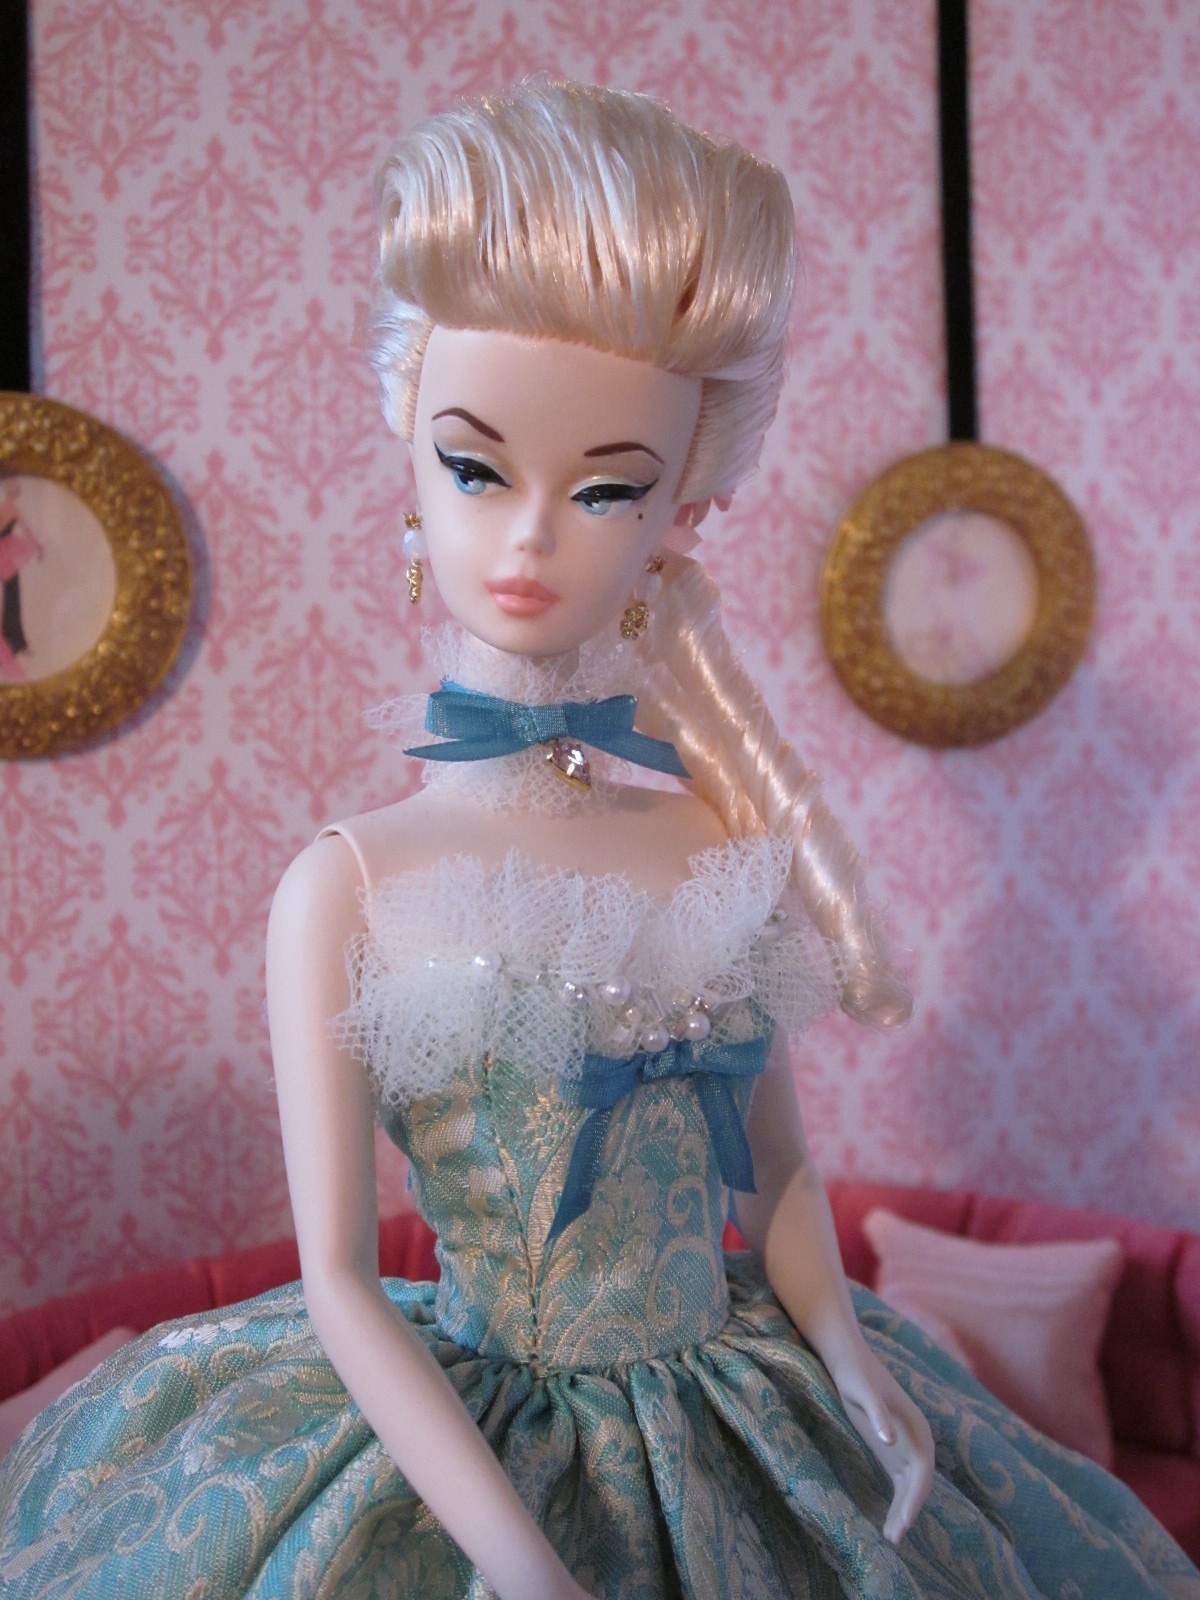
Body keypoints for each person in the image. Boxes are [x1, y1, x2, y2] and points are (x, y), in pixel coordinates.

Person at [1, 81, 1196, 1600]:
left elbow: (779, 1176)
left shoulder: (708, 834)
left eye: (608, 485)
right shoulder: (347, 885)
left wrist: (853, 1360)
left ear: (682, 510)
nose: (530, 538)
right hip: (475, 1443)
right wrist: (524, 1566)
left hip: (747, 1411)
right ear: (410, 464)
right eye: (476, 465)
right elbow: (341, 1285)